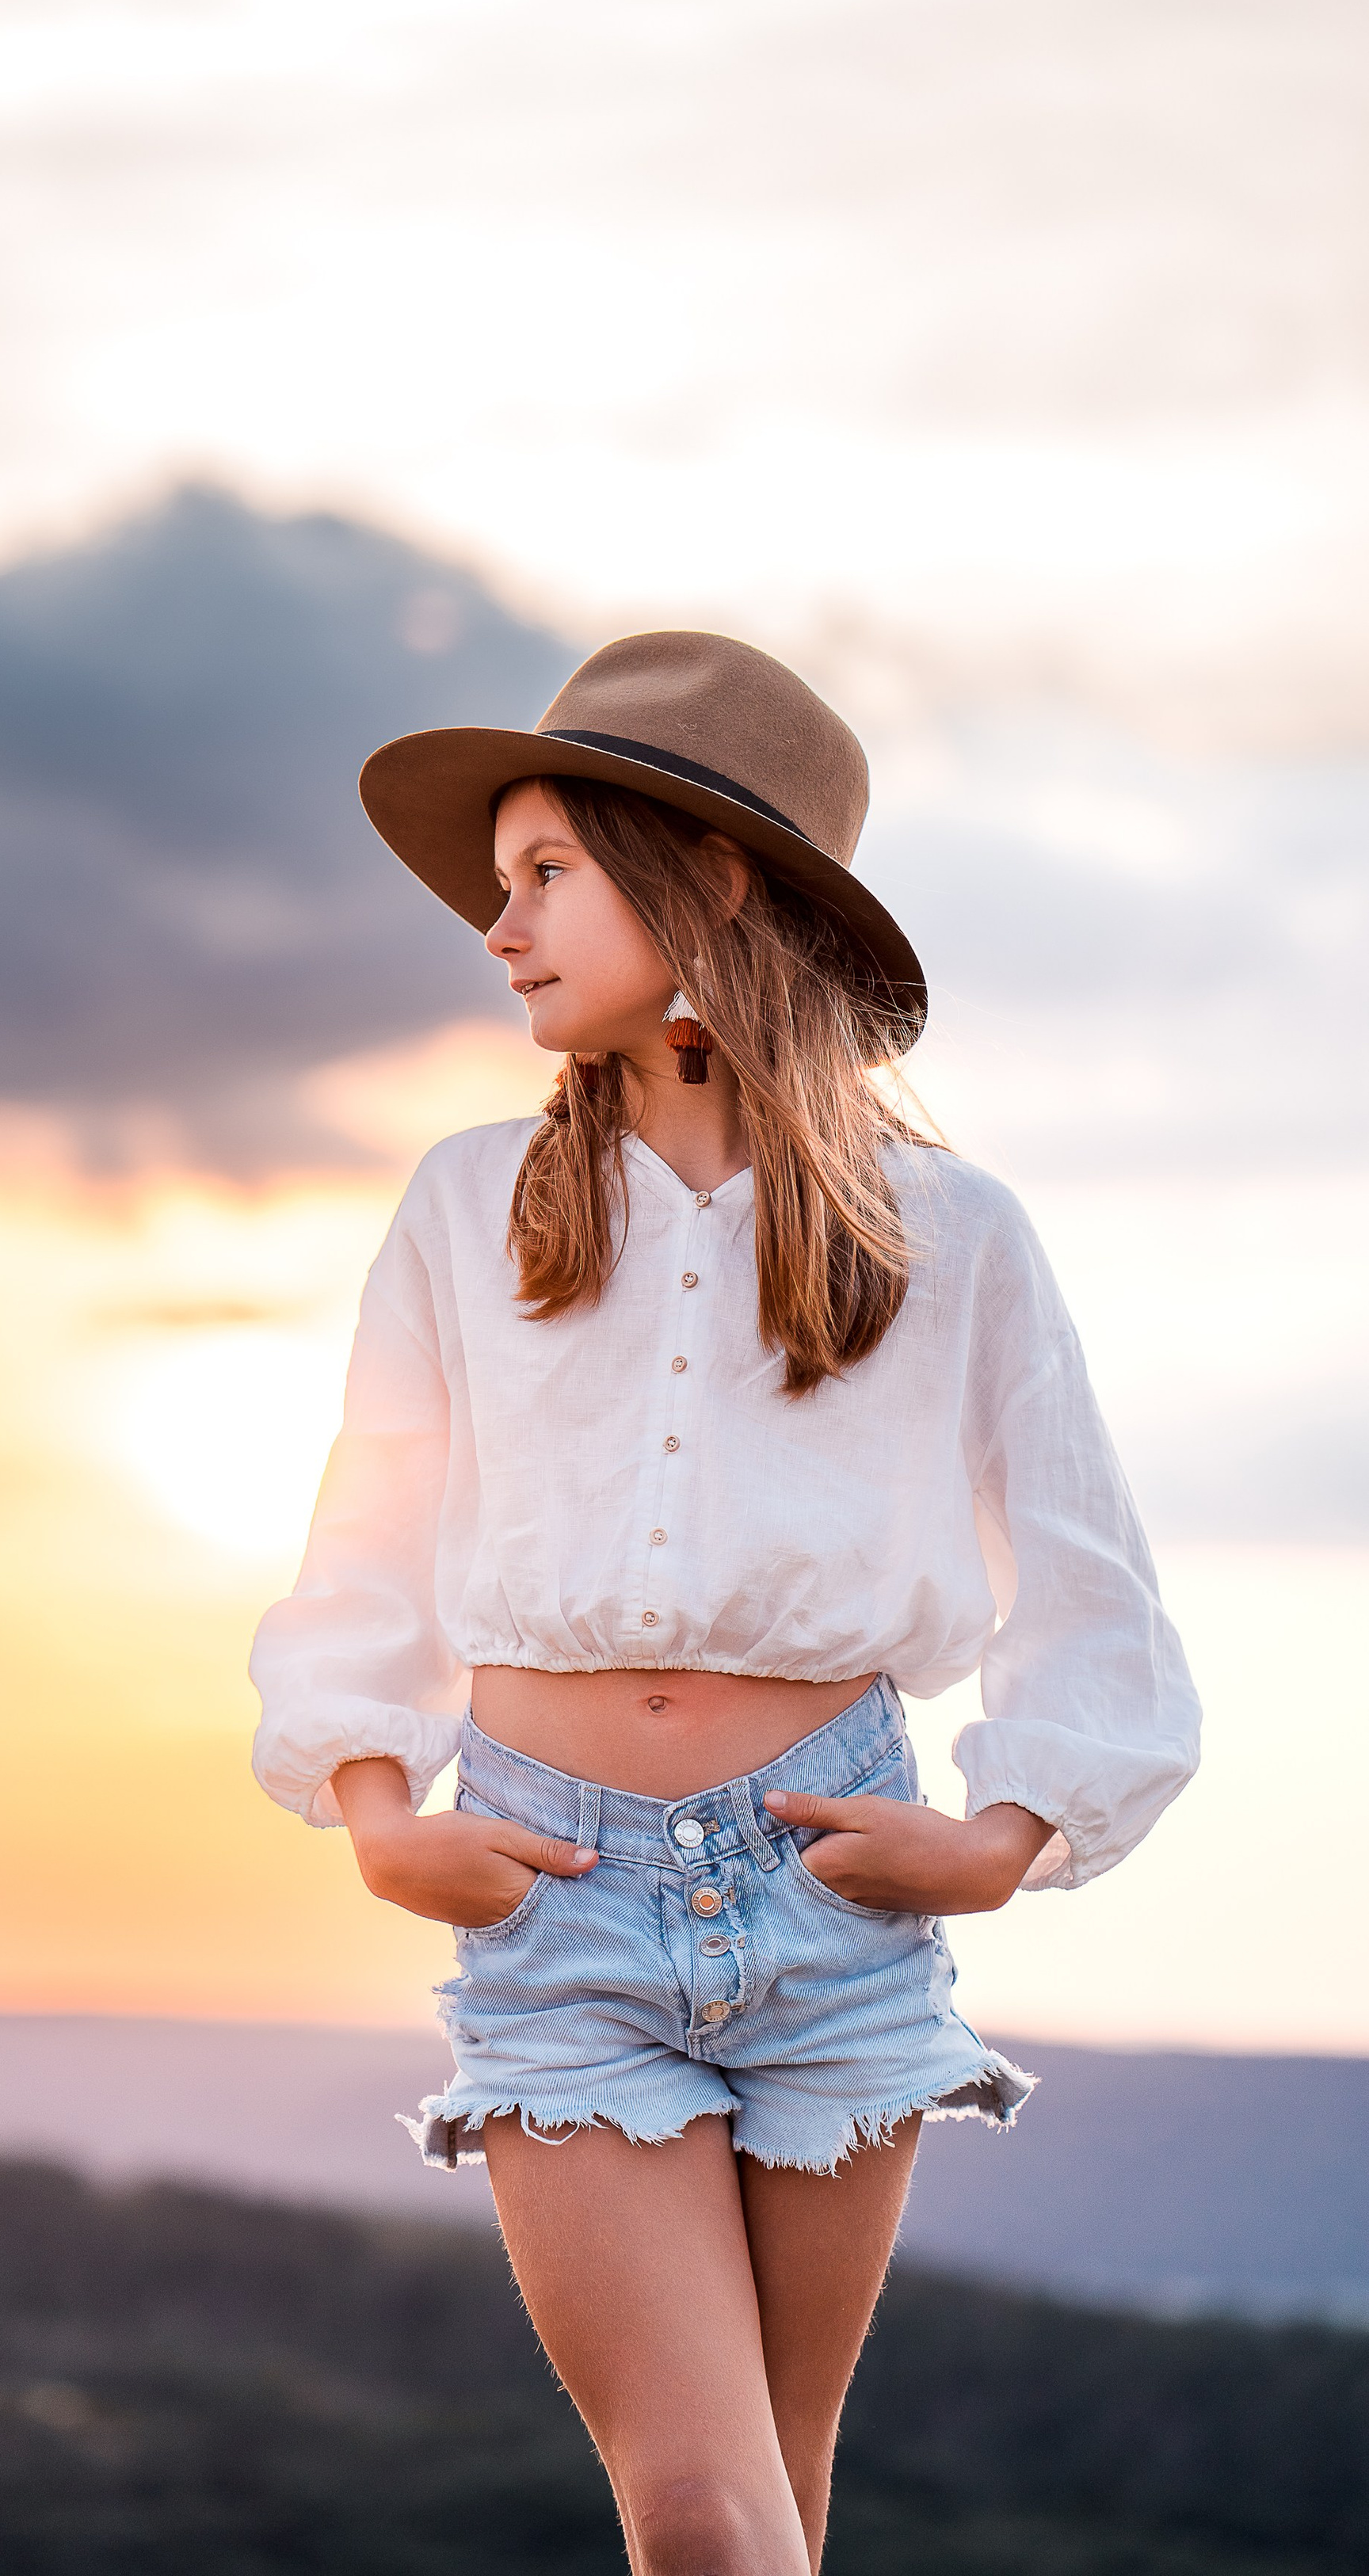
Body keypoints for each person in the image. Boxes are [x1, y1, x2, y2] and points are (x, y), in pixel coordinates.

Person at [250, 631, 1200, 2576]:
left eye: (542, 876)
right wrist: (376, 1823)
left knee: (775, 2499)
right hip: (559, 1897)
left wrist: (993, 1843)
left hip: (828, 1900)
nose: (496, 929)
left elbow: (1089, 1573)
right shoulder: (461, 1204)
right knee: (698, 2515)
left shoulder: (952, 1235)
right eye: (494, 886)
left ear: (713, 877)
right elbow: (364, 1540)